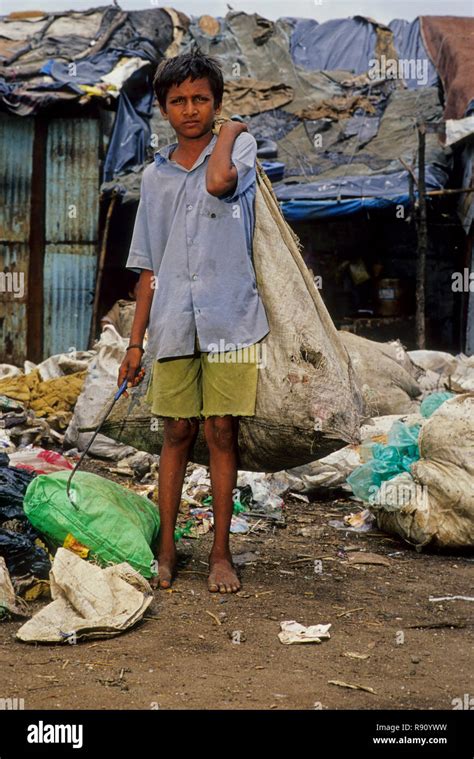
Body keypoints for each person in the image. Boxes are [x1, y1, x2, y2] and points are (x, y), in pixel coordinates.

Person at [118, 49, 269, 593]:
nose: (189, 110)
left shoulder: (240, 149)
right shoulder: (154, 178)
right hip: (173, 323)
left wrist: (231, 131)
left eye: (200, 99)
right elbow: (149, 268)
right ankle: (166, 550)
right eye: (178, 101)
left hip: (232, 319)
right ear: (163, 108)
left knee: (221, 431)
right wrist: (135, 345)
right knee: (177, 431)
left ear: (217, 104)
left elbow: (218, 182)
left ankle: (221, 555)